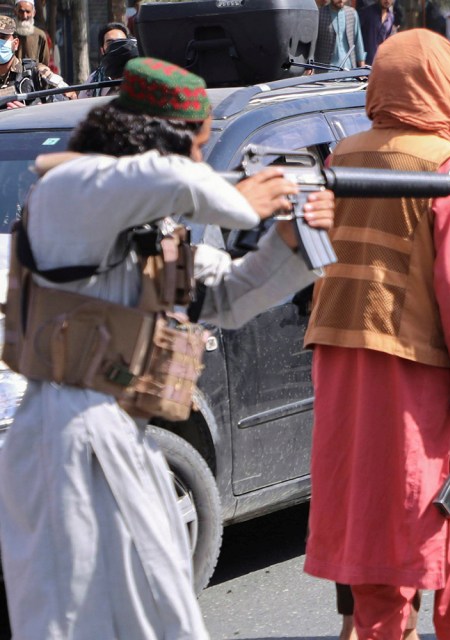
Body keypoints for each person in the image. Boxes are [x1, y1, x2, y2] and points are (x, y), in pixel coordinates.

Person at [0, 56, 335, 640]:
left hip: (124, 436)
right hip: (61, 438)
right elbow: (167, 179)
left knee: (163, 616)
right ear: (155, 140)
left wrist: (290, 241)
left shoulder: (153, 231)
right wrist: (246, 197)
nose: (204, 164)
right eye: (197, 147)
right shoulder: (69, 190)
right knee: (67, 620)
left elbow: (228, 294)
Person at [303, 29, 450, 640]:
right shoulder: (446, 163)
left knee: (367, 512)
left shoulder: (341, 155)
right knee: (438, 509)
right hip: (413, 364)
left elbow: (314, 256)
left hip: (338, 356)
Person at [0, 15, 71, 109]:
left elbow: (69, 102)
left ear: (15, 44)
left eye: (3, 37)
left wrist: (35, 112)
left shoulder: (36, 72)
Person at [79, 22, 138, 98]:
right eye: (110, 43)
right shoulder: (93, 79)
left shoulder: (139, 73)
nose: (116, 46)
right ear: (102, 50)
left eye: (121, 42)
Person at [315, 0, 367, 70]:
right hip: (326, 72)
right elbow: (313, 46)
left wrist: (362, 70)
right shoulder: (320, 14)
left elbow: (358, 43)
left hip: (349, 71)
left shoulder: (352, 13)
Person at [358, 0, 402, 65]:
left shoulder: (391, 17)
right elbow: (357, 38)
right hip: (365, 63)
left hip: (381, 63)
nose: (387, 0)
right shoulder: (367, 12)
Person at [13, 0, 50, 67]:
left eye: (28, 12)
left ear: (34, 13)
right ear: (15, 12)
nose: (24, 16)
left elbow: (44, 65)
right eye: (21, 11)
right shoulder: (7, 34)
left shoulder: (40, 35)